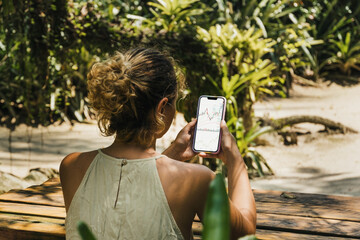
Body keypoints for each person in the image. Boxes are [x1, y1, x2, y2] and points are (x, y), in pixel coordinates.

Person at [60, 48, 256, 240]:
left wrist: (173, 154)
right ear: (162, 108)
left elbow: (128, 206)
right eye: (174, 104)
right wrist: (235, 159)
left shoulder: (72, 166)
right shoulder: (197, 180)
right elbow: (245, 234)